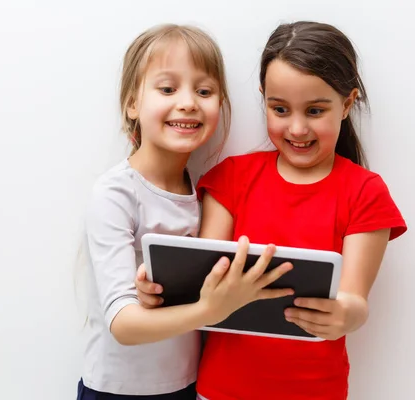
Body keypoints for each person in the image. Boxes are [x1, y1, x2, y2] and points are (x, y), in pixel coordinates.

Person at [136, 21, 408, 399]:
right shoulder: (231, 178)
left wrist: (346, 315)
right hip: (222, 389)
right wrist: (156, 292)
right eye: (280, 109)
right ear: (263, 98)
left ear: (346, 104)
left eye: (315, 110)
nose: (297, 128)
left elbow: (355, 300)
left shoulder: (364, 191)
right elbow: (201, 280)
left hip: (315, 391)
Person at [77, 24, 294, 400]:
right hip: (117, 390)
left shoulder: (204, 193)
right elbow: (123, 324)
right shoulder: (115, 193)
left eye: (204, 91)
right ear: (132, 103)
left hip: (187, 385)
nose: (189, 102)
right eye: (167, 89)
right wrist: (209, 310)